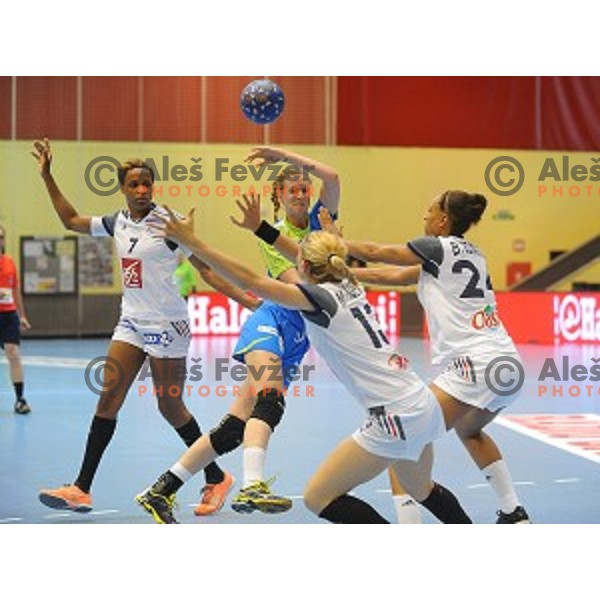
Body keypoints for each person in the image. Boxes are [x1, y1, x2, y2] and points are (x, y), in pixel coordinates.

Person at [136, 210, 471, 524]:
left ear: (306, 268)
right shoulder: (350, 283)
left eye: (298, 261)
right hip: (423, 403)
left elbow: (251, 278)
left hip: (393, 417)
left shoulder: (319, 299)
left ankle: (251, 484)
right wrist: (262, 229)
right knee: (422, 489)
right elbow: (306, 256)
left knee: (318, 497)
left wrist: (193, 242)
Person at [31, 138, 260, 516]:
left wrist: (247, 300)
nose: (141, 190)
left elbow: (206, 270)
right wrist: (47, 176)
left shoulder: (169, 224)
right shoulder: (115, 222)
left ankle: (217, 476)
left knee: (170, 407)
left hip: (168, 326)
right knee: (108, 400)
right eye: (134, 184)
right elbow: (70, 221)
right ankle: (81, 487)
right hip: (131, 322)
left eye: (146, 184)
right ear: (122, 188)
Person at [321, 190, 530, 524]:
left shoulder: (436, 247)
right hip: (508, 365)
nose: (425, 216)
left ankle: (409, 524)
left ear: (444, 219)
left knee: (399, 432)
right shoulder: (475, 254)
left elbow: (379, 253)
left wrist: (337, 243)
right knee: (470, 432)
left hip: (473, 365)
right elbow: (392, 275)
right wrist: (348, 274)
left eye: (430, 210)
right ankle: (514, 513)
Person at [227, 146, 341, 514]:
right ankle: (251, 485)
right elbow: (303, 287)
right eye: (292, 189)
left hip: (299, 336)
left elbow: (333, 177)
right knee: (268, 402)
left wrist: (283, 157)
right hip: (273, 323)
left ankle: (167, 484)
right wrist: (335, 254)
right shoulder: (273, 234)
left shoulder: (321, 222)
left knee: (236, 422)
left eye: (304, 188)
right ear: (277, 195)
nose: (300, 193)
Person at [0, 224, 32, 414]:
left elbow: (15, 291)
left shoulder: (10, 263)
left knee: (13, 354)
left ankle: (20, 399)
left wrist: (22, 316)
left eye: (1, 237)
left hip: (8, 315)